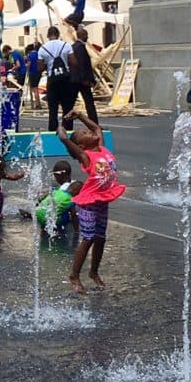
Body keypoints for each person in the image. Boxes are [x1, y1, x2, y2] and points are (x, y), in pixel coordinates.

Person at [58, 111, 125, 293]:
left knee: (100, 238)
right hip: (88, 202)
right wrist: (62, 133)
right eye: (85, 134)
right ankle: (74, 275)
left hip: (102, 199)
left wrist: (79, 115)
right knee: (88, 238)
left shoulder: (102, 148)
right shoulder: (86, 156)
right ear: (81, 145)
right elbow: (68, 141)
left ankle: (93, 272)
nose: (90, 133)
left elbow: (96, 127)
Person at [17, 160, 80, 234]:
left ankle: (33, 215)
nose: (55, 179)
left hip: (55, 215)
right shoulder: (75, 185)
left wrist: (36, 205)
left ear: (60, 175)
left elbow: (45, 197)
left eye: (55, 176)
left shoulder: (63, 189)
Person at [37, 26, 75, 132]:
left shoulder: (42, 49)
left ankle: (53, 132)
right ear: (58, 35)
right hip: (65, 80)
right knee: (67, 108)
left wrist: (47, 64)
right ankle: (67, 131)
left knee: (53, 109)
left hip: (52, 81)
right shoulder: (66, 45)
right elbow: (73, 62)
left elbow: (39, 68)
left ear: (48, 35)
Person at [70, 27, 99, 123]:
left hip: (74, 79)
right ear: (82, 36)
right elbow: (83, 64)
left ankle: (67, 124)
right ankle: (94, 124)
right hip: (82, 80)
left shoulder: (73, 46)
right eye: (86, 35)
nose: (87, 37)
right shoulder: (81, 47)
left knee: (70, 103)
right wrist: (87, 79)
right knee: (89, 103)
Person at [25, 43, 42, 109]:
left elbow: (29, 64)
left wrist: (26, 66)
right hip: (38, 72)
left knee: (34, 89)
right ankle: (38, 103)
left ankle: (37, 104)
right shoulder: (39, 54)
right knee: (36, 88)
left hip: (32, 73)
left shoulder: (31, 55)